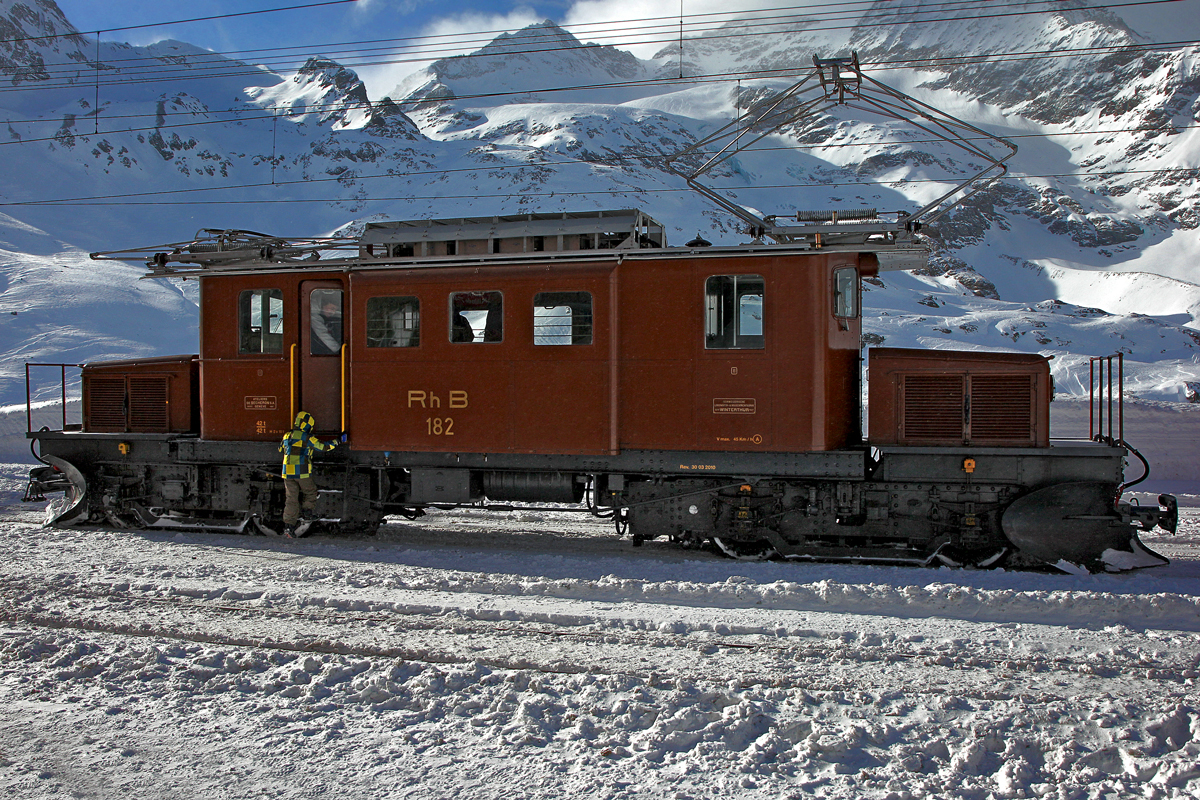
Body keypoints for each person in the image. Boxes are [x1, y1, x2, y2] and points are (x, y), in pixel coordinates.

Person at [279, 410, 340, 537]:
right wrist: (337, 441)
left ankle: (288, 526)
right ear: (307, 425)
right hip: (302, 471)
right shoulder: (306, 437)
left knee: (291, 498)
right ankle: (307, 512)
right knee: (310, 492)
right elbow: (323, 447)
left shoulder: (287, 435)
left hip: (286, 472)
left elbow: (280, 449)